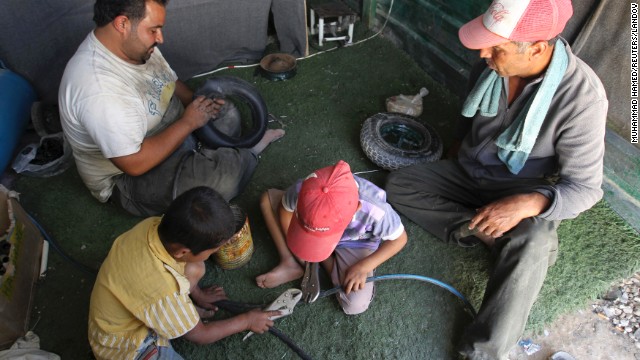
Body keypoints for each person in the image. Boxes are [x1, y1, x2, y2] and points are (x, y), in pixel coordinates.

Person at [385, 0, 608, 358]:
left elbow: (585, 189)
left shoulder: (583, 99)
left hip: (520, 187)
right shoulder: (490, 67)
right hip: (468, 171)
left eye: (496, 47)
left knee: (534, 240)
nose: (483, 53)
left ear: (536, 48)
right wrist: (455, 152)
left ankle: (482, 353)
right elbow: (467, 117)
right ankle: (486, 233)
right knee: (400, 185)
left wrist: (527, 203)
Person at [59, 0, 284, 217]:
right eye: (154, 30)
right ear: (122, 24)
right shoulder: (100, 92)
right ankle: (248, 153)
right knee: (223, 180)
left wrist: (199, 104)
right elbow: (134, 165)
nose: (161, 38)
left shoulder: (135, 45)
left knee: (227, 114)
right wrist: (189, 122)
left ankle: (206, 155)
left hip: (170, 125)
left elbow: (168, 81)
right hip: (128, 178)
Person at [88, 186, 280, 359]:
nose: (212, 254)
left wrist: (197, 293)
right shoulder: (163, 290)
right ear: (182, 252)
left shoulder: (154, 225)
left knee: (195, 267)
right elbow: (201, 336)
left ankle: (184, 311)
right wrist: (247, 320)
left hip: (135, 298)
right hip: (126, 347)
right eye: (212, 251)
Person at [255, 160, 407, 315]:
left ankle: (322, 263)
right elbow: (285, 210)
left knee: (354, 303)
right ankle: (290, 262)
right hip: (308, 230)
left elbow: (400, 239)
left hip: (356, 242)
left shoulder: (376, 210)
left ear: (357, 208)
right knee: (266, 200)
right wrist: (297, 247)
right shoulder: (303, 190)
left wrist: (364, 266)